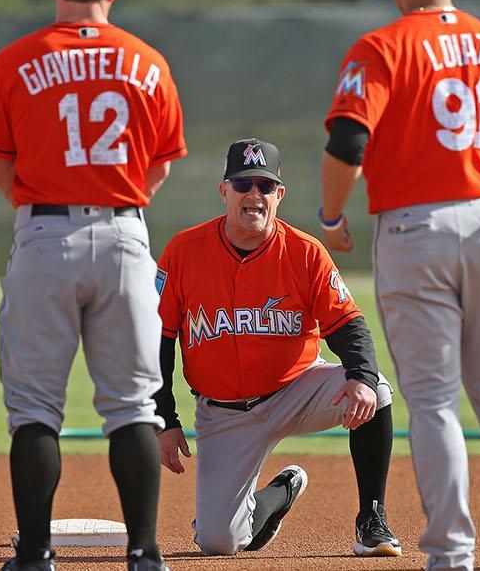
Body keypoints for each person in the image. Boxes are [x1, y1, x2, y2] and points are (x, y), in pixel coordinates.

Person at [319, 0, 480, 570]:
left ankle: (451, 555)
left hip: (414, 229)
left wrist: (330, 213)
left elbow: (347, 144)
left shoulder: (381, 47)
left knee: (433, 402)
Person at [0, 0, 185, 571]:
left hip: (44, 232)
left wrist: (42, 211)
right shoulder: (148, 60)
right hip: (125, 234)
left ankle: (35, 556)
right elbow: (161, 170)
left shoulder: (15, 60)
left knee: (35, 406)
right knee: (133, 405)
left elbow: (1, 166)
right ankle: (145, 553)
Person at [153, 138, 401, 558]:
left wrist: (359, 377)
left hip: (296, 390)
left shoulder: (305, 252)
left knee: (374, 391)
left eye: (265, 187)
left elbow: (348, 325)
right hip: (223, 411)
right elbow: (158, 340)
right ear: (224, 191)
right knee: (218, 542)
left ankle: (371, 519)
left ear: (279, 195)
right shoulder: (184, 251)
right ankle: (280, 493)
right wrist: (164, 417)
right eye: (243, 184)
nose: (254, 195)